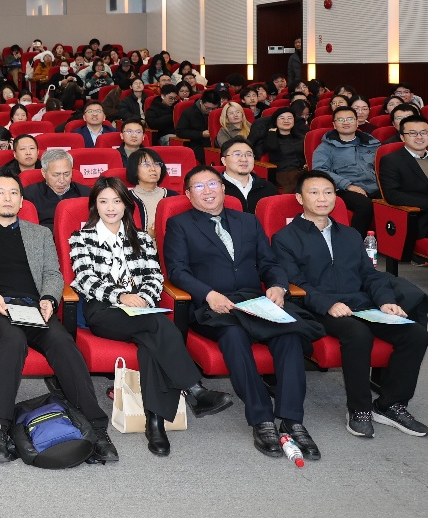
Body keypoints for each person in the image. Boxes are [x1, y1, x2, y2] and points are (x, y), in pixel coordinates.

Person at [0, 171, 118, 464]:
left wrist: (49, 299)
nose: (7, 198)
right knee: (12, 340)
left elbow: (53, 274)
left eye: (13, 193)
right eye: (0, 192)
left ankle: (96, 428)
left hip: (33, 308)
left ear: (22, 201)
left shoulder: (40, 234)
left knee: (63, 342)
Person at [162, 166, 321, 460]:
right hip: (213, 307)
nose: (208, 191)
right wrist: (208, 294)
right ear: (188, 194)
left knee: (289, 337)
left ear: (224, 188)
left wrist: (277, 286)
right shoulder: (179, 224)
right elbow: (177, 271)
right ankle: (261, 418)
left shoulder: (248, 221)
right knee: (233, 335)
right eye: (199, 187)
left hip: (253, 302)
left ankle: (292, 420)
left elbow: (269, 263)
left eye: (213, 184)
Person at [70, 177, 233, 457]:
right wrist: (121, 296)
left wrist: (144, 298)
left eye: (117, 201)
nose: (111, 207)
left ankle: (155, 424)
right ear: (95, 206)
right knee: (159, 325)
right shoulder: (82, 238)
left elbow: (155, 277)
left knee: (150, 343)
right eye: (103, 201)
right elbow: (85, 279)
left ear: (126, 204)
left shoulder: (142, 239)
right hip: (104, 311)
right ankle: (194, 389)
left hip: (142, 310)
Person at [274, 171, 428, 439]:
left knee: (415, 333)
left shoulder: (349, 234)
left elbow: (370, 275)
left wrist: (386, 301)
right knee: (358, 333)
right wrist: (328, 304)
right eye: (314, 192)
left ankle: (390, 404)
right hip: (317, 308)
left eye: (328, 192)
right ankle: (359, 409)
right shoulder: (285, 238)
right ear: (299, 198)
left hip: (360, 303)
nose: (322, 198)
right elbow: (296, 283)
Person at [312, 106, 381, 234]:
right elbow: (320, 171)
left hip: (375, 186)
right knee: (364, 206)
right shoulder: (325, 147)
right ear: (334, 124)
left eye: (350, 119)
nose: (345, 122)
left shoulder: (372, 143)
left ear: (357, 122)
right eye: (340, 120)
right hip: (343, 189)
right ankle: (354, 241)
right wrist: (349, 186)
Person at [378, 114, 428, 248]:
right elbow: (392, 194)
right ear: (402, 137)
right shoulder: (391, 160)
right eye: (413, 133)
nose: (419, 137)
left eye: (424, 132)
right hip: (419, 217)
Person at [23, 149, 92, 230]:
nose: (62, 180)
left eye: (66, 174)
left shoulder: (87, 194)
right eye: (56, 175)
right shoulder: (29, 195)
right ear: (44, 173)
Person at [127, 148, 176, 236]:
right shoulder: (126, 199)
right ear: (134, 170)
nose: (153, 168)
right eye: (146, 164)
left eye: (157, 164)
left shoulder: (173, 197)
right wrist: (148, 235)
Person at [256, 107, 306, 192]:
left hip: (302, 172)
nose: (286, 121)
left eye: (289, 118)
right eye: (282, 118)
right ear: (275, 121)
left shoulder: (301, 137)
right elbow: (272, 147)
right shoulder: (270, 138)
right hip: (283, 174)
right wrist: (272, 131)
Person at [175, 90, 219, 157]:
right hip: (196, 144)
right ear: (201, 102)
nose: (210, 111)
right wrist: (201, 134)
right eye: (207, 108)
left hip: (216, 143)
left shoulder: (218, 113)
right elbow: (180, 132)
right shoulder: (189, 112)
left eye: (214, 108)